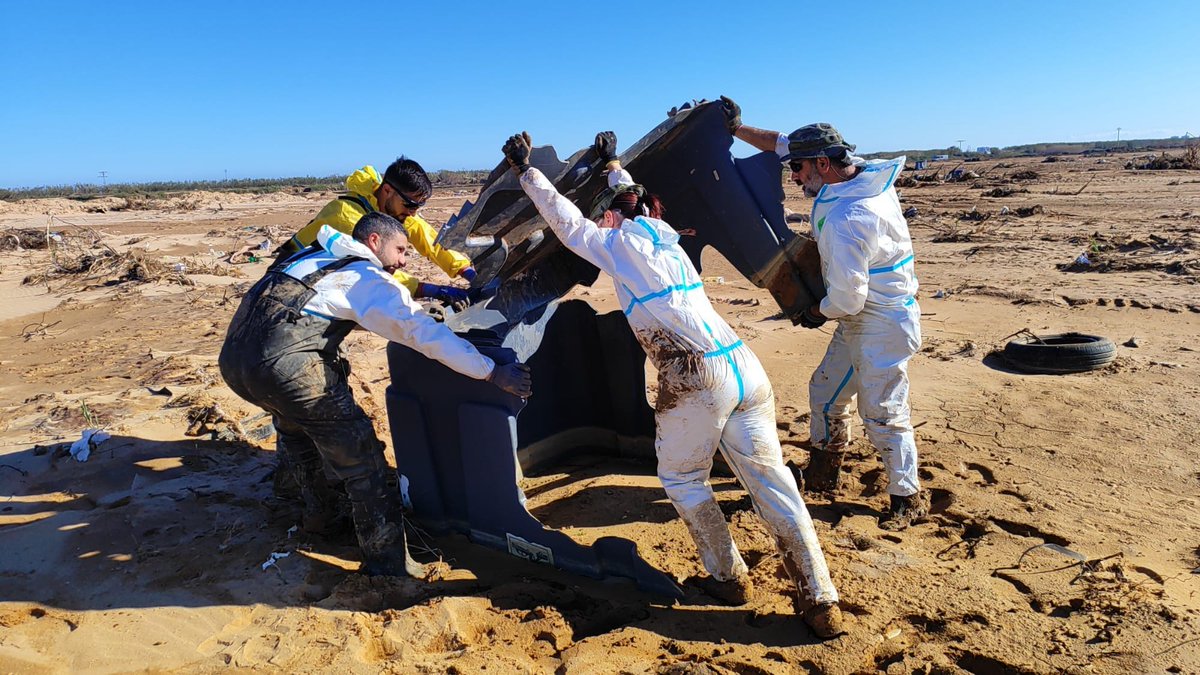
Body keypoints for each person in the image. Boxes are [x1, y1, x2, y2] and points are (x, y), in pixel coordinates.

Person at [500, 130, 844, 638]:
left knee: (683, 479)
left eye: (606, 215)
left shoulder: (618, 244)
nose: (601, 222)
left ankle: (727, 577)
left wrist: (526, 172)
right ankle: (820, 599)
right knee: (773, 485)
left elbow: (569, 226)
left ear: (614, 217)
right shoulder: (668, 242)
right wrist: (615, 165)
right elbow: (632, 198)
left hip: (695, 375)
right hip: (744, 367)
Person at [220, 211, 532, 576]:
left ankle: (318, 515)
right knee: (362, 461)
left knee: (295, 431)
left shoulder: (312, 256)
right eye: (401, 250)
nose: (403, 261)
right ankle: (387, 566)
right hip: (285, 369)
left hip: (235, 363)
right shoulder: (365, 277)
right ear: (373, 242)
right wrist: (492, 372)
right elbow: (420, 334)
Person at [719, 96, 929, 531]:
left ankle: (907, 496)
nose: (792, 177)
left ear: (821, 164)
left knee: (883, 409)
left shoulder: (850, 218)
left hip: (881, 321)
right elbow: (780, 143)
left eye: (797, 169)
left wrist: (816, 310)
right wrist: (736, 129)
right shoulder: (857, 174)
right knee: (826, 391)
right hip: (863, 316)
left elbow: (848, 299)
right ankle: (824, 469)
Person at [277, 157, 475, 307]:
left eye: (418, 206)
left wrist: (465, 270)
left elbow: (424, 235)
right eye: (410, 205)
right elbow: (377, 271)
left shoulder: (389, 208)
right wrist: (428, 289)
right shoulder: (348, 217)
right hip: (290, 282)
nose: (413, 212)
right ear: (387, 190)